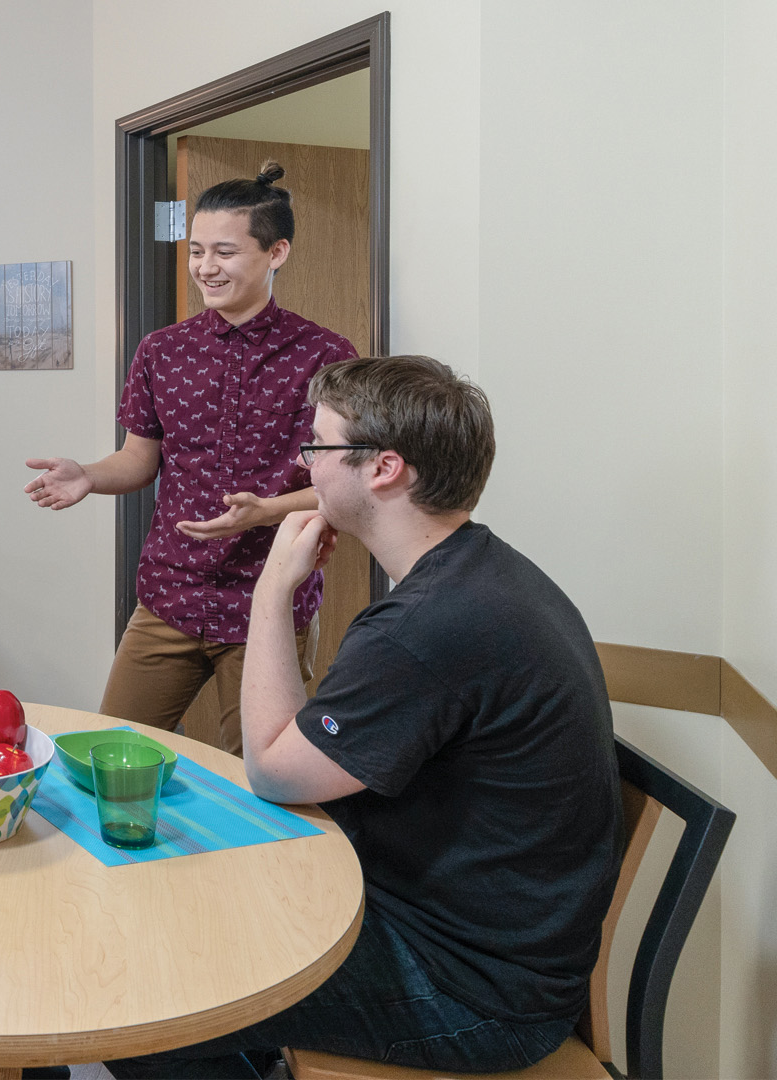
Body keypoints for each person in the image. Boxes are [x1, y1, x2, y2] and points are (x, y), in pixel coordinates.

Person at [107, 356, 621, 1078]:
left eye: (318, 446)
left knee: (144, 999)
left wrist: (268, 593)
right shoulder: (485, 576)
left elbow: (276, 770)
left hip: (470, 995)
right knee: (195, 911)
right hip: (483, 946)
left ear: (382, 469)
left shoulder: (425, 629)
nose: (303, 462)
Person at [24, 162, 357, 755]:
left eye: (225, 251)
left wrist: (268, 510)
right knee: (109, 750)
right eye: (197, 250)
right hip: (169, 593)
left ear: (276, 252)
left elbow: (345, 481)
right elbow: (138, 459)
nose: (206, 267)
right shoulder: (162, 350)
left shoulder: (327, 356)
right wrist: (89, 477)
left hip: (270, 598)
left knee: (265, 774)